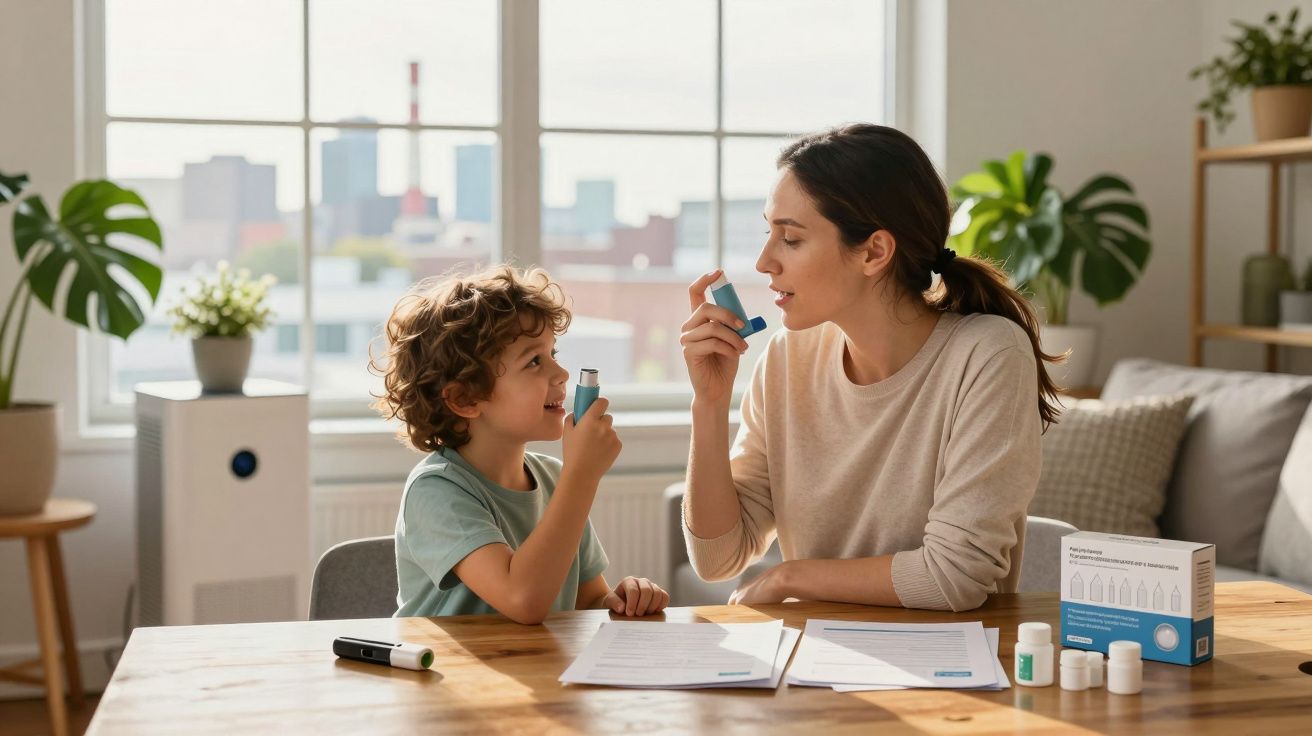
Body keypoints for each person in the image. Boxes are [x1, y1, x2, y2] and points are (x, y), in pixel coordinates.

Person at [679, 123, 1062, 612]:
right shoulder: (785, 358)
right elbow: (718, 557)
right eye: (768, 233)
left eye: (790, 240)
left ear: (875, 251)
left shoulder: (987, 354)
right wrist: (708, 404)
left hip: (949, 670)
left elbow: (954, 577)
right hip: (815, 666)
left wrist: (789, 577)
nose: (763, 262)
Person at [373, 265, 669, 624]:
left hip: (535, 673)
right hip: (451, 677)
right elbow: (523, 600)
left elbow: (587, 599)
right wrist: (583, 476)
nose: (560, 374)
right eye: (533, 361)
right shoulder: (436, 491)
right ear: (465, 398)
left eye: (553, 355)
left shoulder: (555, 478)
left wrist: (621, 600)